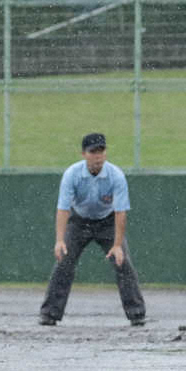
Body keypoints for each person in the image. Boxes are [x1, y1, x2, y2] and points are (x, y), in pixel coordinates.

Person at [38, 132, 146, 327]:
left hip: (108, 222)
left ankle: (137, 313)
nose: (97, 156)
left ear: (105, 153)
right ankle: (49, 313)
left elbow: (121, 213)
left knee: (123, 263)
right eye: (92, 152)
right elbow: (63, 208)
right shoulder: (72, 174)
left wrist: (117, 245)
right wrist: (60, 240)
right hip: (79, 222)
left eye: (101, 151)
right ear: (83, 154)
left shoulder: (116, 176)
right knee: (64, 262)